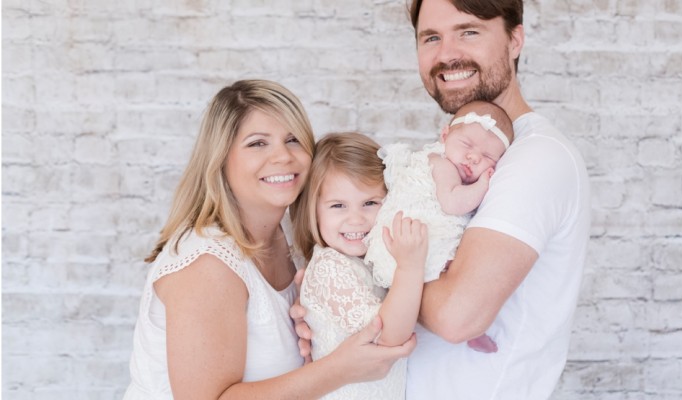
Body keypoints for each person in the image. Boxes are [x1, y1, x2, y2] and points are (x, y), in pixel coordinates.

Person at [294, 0, 591, 398]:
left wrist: (361, 279)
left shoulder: (536, 158)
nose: (447, 54)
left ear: (515, 39)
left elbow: (456, 315)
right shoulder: (456, 154)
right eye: (431, 37)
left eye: (468, 31)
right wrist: (331, 298)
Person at [124, 79, 415, 400]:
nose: (283, 156)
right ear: (220, 158)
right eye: (258, 143)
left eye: (292, 140)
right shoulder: (206, 265)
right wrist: (339, 368)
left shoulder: (297, 237)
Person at [292, 132, 428, 399]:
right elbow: (387, 337)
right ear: (313, 211)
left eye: (369, 203)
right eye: (338, 205)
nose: (356, 219)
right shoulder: (329, 266)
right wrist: (410, 267)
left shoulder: (370, 263)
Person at [365, 100, 513, 290]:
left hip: (403, 247)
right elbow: (453, 203)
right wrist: (483, 184)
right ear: (445, 136)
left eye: (488, 156)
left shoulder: (448, 163)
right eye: (466, 144)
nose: (474, 157)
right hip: (409, 247)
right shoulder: (442, 164)